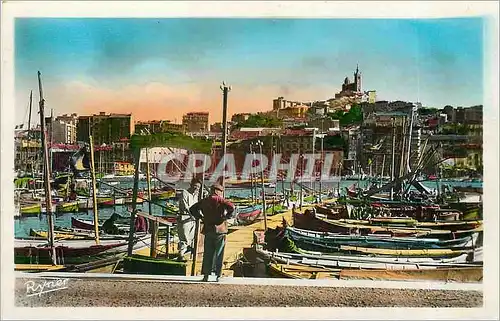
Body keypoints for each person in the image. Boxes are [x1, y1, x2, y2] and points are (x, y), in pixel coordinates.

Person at [189, 183, 235, 282]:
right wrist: (227, 217)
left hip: (208, 229)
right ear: (219, 191)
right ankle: (218, 275)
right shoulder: (221, 200)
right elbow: (232, 207)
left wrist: (200, 217)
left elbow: (192, 209)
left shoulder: (204, 201)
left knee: (208, 254)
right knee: (219, 254)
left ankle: (206, 275)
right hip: (220, 230)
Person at [177, 178, 202, 260]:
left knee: (191, 238)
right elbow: (185, 206)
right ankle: (180, 255)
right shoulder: (185, 193)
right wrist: (192, 215)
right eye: (195, 186)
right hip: (185, 218)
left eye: (198, 187)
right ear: (191, 185)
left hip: (193, 219)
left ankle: (188, 253)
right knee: (184, 238)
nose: (196, 188)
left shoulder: (197, 195)